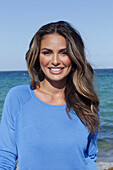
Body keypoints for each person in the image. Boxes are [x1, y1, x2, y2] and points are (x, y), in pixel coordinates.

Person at [0, 21, 100, 170]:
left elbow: (90, 157)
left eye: (63, 53)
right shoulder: (18, 98)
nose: (55, 61)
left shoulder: (87, 102)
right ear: (37, 56)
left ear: (73, 57)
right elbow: (5, 157)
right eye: (47, 52)